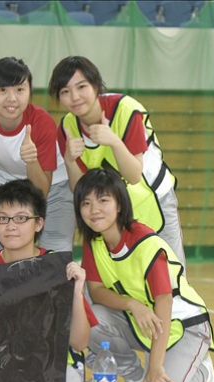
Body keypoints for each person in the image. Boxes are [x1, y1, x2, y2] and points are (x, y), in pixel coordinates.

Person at [75, 168, 214, 382]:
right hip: (143, 322)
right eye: (86, 203)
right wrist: (133, 304)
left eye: (103, 200)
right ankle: (134, 378)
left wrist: (155, 366)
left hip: (184, 326)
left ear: (120, 205)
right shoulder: (95, 242)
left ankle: (203, 376)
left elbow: (164, 303)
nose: (94, 209)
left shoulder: (146, 243)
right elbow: (96, 292)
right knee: (92, 319)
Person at [0, 179, 97, 382]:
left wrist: (77, 291)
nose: (10, 226)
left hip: (50, 369)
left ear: (39, 223)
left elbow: (80, 342)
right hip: (4, 369)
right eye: (3, 218)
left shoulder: (57, 269)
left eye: (21, 218)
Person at [49, 55, 186, 265]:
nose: (75, 97)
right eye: (65, 92)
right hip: (113, 211)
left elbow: (134, 176)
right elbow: (80, 189)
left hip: (155, 199)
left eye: (81, 87)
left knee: (172, 272)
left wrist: (114, 141)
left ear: (96, 85)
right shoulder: (67, 127)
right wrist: (69, 160)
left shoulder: (126, 109)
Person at [0, 57, 74, 252]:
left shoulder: (42, 121)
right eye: (2, 90)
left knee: (56, 254)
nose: (12, 98)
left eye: (19, 90)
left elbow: (41, 191)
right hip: (2, 186)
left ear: (30, 91)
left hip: (53, 188)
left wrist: (31, 161)